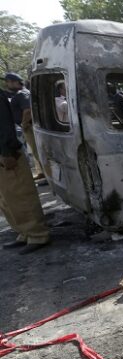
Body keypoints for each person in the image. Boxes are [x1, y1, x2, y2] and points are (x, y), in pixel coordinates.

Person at [0, 90, 50, 254]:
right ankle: (24, 232)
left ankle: (37, 234)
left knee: (20, 195)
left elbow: (3, 124)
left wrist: (7, 152)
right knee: (8, 199)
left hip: (7, 154)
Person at [5, 73, 44, 180]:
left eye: (9, 81)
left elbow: (27, 111)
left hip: (29, 127)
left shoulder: (21, 94)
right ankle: (43, 173)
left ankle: (46, 175)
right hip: (30, 126)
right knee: (36, 152)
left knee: (37, 152)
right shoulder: (23, 93)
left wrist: (24, 124)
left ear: (16, 82)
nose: (7, 84)